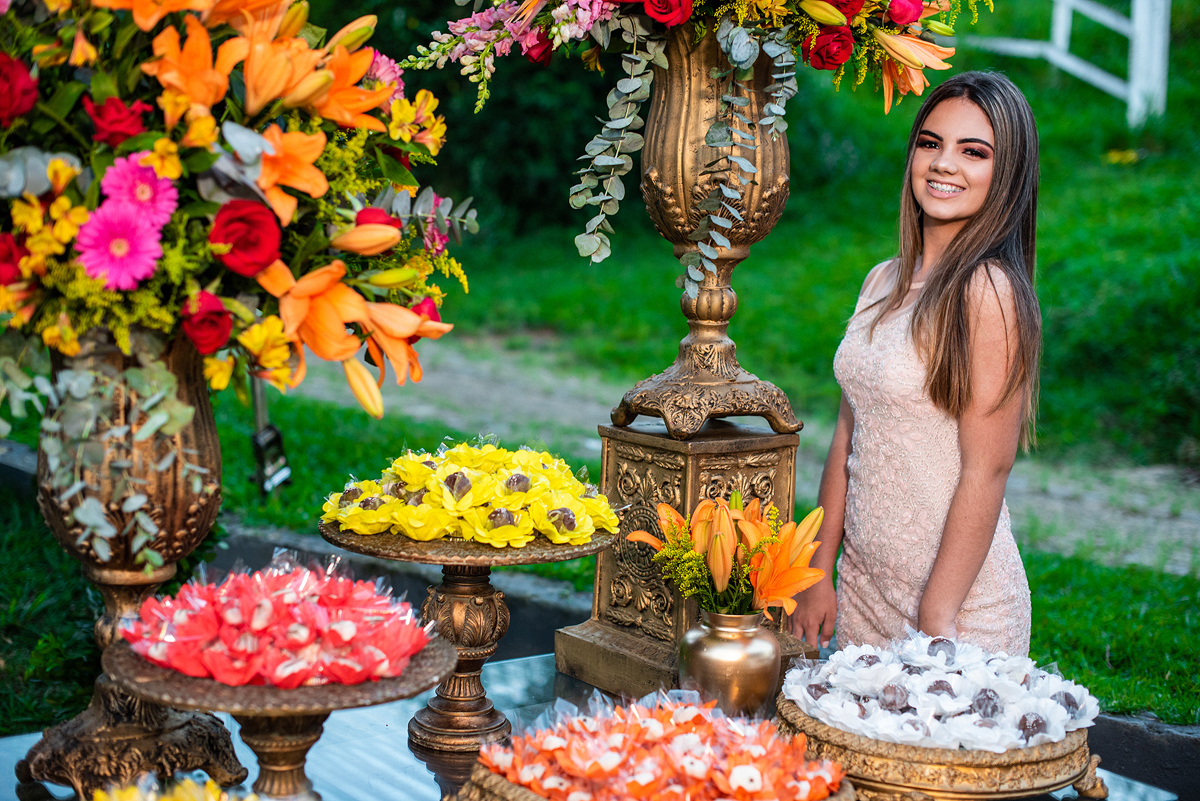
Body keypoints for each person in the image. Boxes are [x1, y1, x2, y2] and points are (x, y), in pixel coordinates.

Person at [790, 72, 1041, 656]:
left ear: (1005, 175)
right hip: (864, 592)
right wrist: (818, 568)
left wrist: (936, 618)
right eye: (931, 143)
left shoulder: (989, 292)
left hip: (955, 612)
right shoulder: (881, 280)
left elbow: (988, 469)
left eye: (973, 152)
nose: (944, 164)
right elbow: (850, 434)